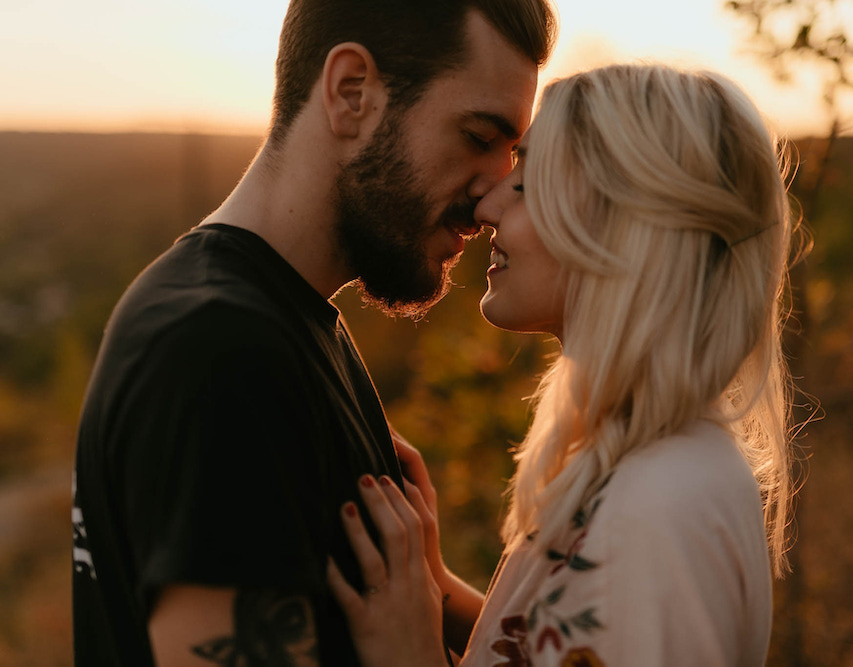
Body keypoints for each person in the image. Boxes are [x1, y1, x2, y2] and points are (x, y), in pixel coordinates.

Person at [71, 1, 556, 665]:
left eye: (512, 152)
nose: (493, 194)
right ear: (351, 92)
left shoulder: (290, 323)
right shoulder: (220, 351)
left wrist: (435, 596)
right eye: (478, 137)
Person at [325, 63, 799, 666]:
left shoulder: (658, 511)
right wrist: (433, 588)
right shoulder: (642, 464)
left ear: (628, 225)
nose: (487, 206)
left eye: (526, 181)